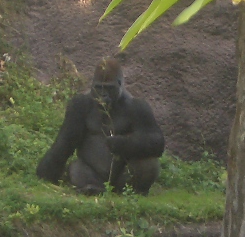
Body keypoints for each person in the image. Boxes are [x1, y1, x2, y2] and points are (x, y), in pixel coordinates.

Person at [36, 58, 164, 195]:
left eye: (109, 89)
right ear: (92, 85)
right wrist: (44, 176)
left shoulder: (136, 107)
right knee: (75, 169)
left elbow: (157, 144)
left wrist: (124, 144)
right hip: (90, 173)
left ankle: (129, 192)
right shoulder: (82, 105)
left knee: (150, 166)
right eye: (98, 88)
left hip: (124, 176)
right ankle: (93, 189)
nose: (103, 95)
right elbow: (64, 144)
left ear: (120, 84)